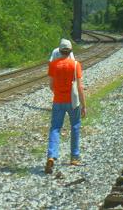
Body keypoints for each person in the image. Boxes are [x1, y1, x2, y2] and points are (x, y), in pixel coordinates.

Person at [45, 39, 87, 174]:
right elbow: (79, 87)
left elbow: (51, 85)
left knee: (55, 128)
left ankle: (51, 156)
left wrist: (59, 93)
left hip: (58, 100)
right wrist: (84, 105)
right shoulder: (75, 65)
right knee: (75, 126)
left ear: (59, 50)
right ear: (70, 51)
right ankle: (74, 157)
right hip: (73, 102)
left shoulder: (53, 64)